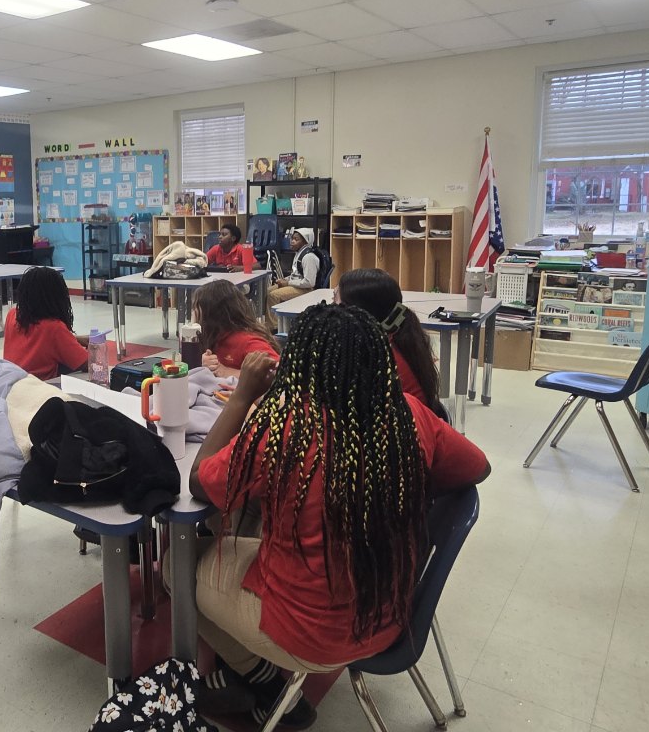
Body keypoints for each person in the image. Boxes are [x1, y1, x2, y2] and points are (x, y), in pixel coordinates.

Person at [188, 305, 489, 727]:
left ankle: (266, 684)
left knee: (176, 566)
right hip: (388, 614)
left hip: (310, 636)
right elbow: (478, 468)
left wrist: (241, 397)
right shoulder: (409, 413)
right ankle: (253, 669)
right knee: (256, 515)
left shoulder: (288, 427)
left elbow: (199, 482)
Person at [336, 268, 443, 415]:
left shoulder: (379, 359)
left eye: (335, 303)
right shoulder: (396, 341)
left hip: (404, 427)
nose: (329, 311)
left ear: (359, 314)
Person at [2, 266, 88, 381]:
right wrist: (96, 348)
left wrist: (75, 339)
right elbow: (86, 363)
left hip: (11, 382)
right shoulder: (54, 328)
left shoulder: (12, 315)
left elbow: (37, 340)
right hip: (39, 386)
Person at [194, 279, 278, 378]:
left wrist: (227, 372)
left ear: (211, 314)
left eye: (196, 307)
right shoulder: (212, 337)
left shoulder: (246, 341)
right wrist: (202, 363)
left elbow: (279, 373)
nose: (193, 312)